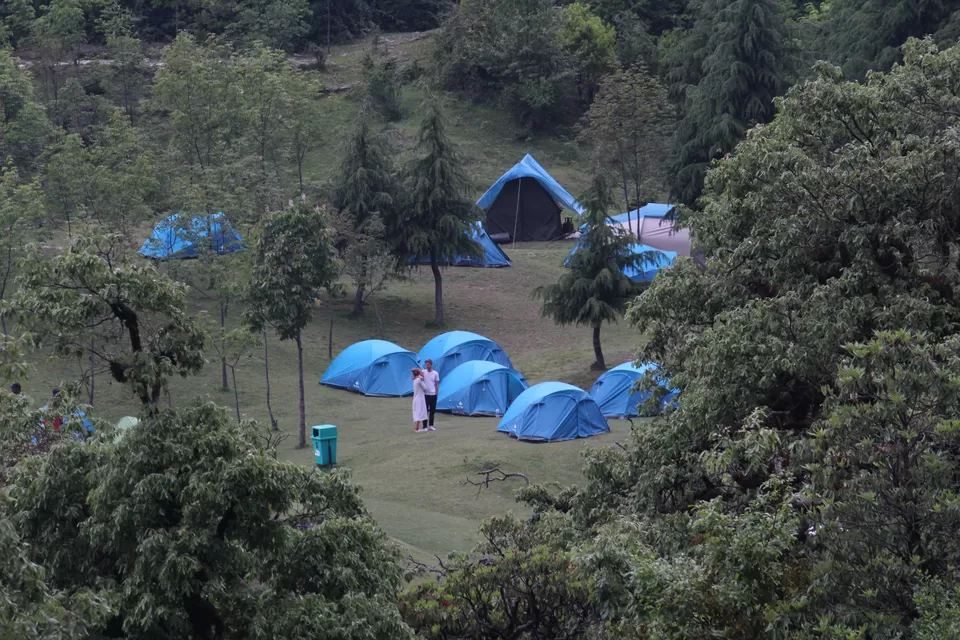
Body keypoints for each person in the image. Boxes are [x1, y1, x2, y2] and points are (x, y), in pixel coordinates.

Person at [422, 359, 440, 431]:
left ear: (431, 364)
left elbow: (436, 384)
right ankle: (424, 426)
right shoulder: (423, 372)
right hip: (426, 394)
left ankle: (431, 425)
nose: (427, 366)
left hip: (433, 394)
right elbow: (416, 374)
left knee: (432, 411)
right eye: (426, 364)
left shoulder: (435, 373)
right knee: (425, 410)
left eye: (428, 364)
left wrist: (436, 393)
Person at [412, 368, 429, 433]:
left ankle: (417, 427)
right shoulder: (419, 380)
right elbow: (425, 388)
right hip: (419, 398)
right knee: (419, 412)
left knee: (417, 412)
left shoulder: (415, 380)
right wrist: (422, 380)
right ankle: (417, 428)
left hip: (416, 398)